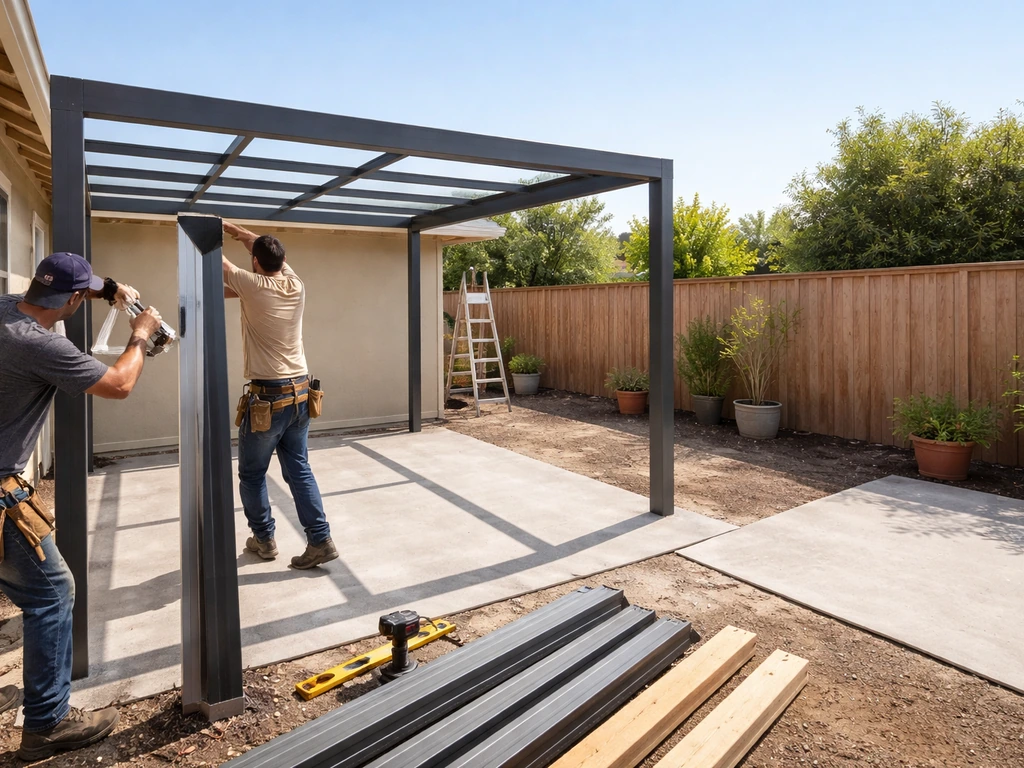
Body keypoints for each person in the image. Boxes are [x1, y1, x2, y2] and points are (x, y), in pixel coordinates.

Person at [0, 252, 162, 760]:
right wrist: (140, 335)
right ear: (72, 300)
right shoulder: (41, 347)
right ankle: (46, 724)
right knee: (52, 594)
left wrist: (108, 287)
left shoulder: (7, 310)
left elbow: (58, 294)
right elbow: (119, 384)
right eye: (83, 292)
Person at [222, 221, 337, 570]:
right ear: (283, 260)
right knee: (299, 469)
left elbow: (219, 263)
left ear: (255, 262)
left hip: (268, 399)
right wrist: (241, 233)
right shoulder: (295, 284)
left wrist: (217, 227)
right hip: (301, 393)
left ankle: (264, 538)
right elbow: (259, 249)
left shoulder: (251, 283)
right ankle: (320, 540)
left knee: (253, 474)